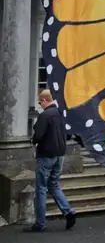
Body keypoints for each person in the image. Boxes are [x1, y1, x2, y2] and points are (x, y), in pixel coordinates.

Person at [24, 89, 77, 232]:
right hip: (60, 154)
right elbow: (69, 134)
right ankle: (68, 212)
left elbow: (38, 136)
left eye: (40, 102)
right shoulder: (61, 113)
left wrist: (33, 139)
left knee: (41, 188)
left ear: (44, 100)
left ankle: (40, 223)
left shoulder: (45, 115)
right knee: (53, 184)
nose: (40, 105)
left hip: (46, 154)